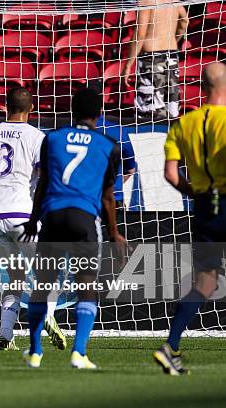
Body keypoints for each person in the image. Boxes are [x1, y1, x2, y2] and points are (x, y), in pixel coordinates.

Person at [22, 88, 126, 369]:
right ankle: (79, 353)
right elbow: (107, 196)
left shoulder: (52, 138)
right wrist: (114, 232)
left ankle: (35, 351)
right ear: (99, 113)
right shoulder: (108, 145)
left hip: (53, 217)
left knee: (42, 285)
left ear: (72, 111)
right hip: (84, 219)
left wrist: (33, 220)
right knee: (87, 285)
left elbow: (42, 184)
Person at [0, 87, 66, 352]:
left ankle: (6, 334)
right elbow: (46, 178)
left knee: (14, 276)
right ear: (31, 108)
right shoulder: (37, 137)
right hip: (22, 213)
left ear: (5, 107)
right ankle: (48, 314)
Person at [154, 62, 226, 375]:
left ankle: (170, 347)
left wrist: (195, 192)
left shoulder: (183, 124)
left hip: (204, 208)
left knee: (205, 281)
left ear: (201, 85)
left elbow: (171, 174)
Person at [122, 0, 188, 119]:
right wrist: (173, 40)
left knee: (147, 112)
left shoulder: (146, 1)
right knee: (171, 110)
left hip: (151, 58)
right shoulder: (174, 1)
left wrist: (128, 65)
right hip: (171, 56)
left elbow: (140, 34)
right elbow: (184, 22)